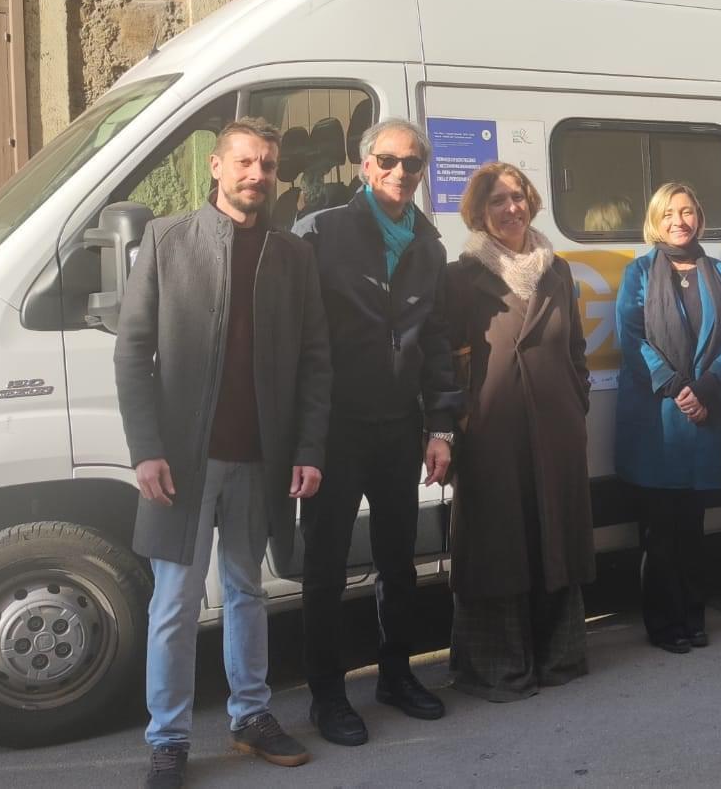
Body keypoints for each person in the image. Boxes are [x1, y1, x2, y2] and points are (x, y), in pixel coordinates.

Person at [114, 117, 332, 788]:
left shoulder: (292, 255)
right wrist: (146, 450)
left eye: (267, 164)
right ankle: (168, 740)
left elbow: (315, 359)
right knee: (175, 603)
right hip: (183, 463)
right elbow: (132, 351)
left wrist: (307, 447)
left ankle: (251, 716)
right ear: (216, 166)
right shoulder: (167, 240)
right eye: (244, 162)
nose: (256, 174)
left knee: (246, 591)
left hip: (260, 460)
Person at [292, 118, 462, 744]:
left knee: (399, 563)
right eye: (387, 161)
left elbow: (437, 341)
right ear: (365, 166)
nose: (399, 172)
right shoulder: (321, 233)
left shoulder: (429, 245)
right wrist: (303, 435)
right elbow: (298, 338)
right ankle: (327, 695)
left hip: (398, 427)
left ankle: (396, 675)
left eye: (412, 164)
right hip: (336, 428)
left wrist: (440, 426)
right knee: (325, 570)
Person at [445, 161, 595, 700]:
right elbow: (445, 358)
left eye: (518, 197)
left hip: (556, 428)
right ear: (478, 212)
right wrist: (455, 423)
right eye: (497, 200)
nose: (511, 208)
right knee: (498, 544)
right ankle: (500, 667)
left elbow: (574, 346)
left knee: (554, 534)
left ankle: (558, 657)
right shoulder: (460, 277)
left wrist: (576, 397)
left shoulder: (557, 270)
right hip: (492, 432)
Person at [614, 182, 721, 654]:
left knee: (693, 528)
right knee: (658, 532)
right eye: (668, 213)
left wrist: (706, 388)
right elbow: (631, 339)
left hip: (704, 415)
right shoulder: (638, 273)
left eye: (687, 212)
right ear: (655, 220)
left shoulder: (720, 272)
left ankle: (693, 615)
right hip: (658, 421)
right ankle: (663, 623)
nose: (679, 221)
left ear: (699, 218)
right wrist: (676, 387)